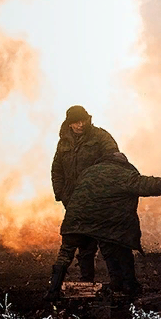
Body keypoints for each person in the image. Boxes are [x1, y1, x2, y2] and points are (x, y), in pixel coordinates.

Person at [45, 152, 161, 300]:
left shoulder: (88, 172)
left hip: (75, 220)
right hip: (105, 223)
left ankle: (53, 290)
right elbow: (150, 185)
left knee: (65, 254)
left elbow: (72, 191)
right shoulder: (123, 174)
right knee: (119, 248)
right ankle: (129, 285)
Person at [50, 105, 119, 283]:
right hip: (73, 202)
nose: (80, 125)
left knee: (108, 244)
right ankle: (86, 282)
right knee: (82, 244)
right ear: (69, 124)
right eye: (75, 122)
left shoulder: (101, 137)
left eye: (83, 120)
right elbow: (57, 169)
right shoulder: (64, 142)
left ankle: (119, 285)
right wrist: (61, 193)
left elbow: (114, 162)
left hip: (98, 201)